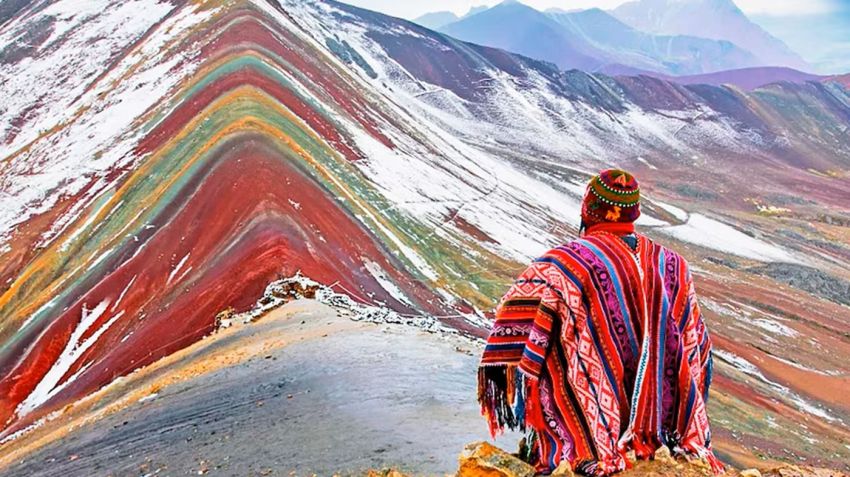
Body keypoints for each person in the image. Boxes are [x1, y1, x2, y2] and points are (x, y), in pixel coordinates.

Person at [477, 170, 721, 476]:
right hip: (660, 423)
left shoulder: (564, 264)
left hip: (593, 425)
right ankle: (651, 434)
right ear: (635, 212)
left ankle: (586, 435)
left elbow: (516, 321)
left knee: (557, 344)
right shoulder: (674, 265)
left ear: (588, 210)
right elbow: (693, 342)